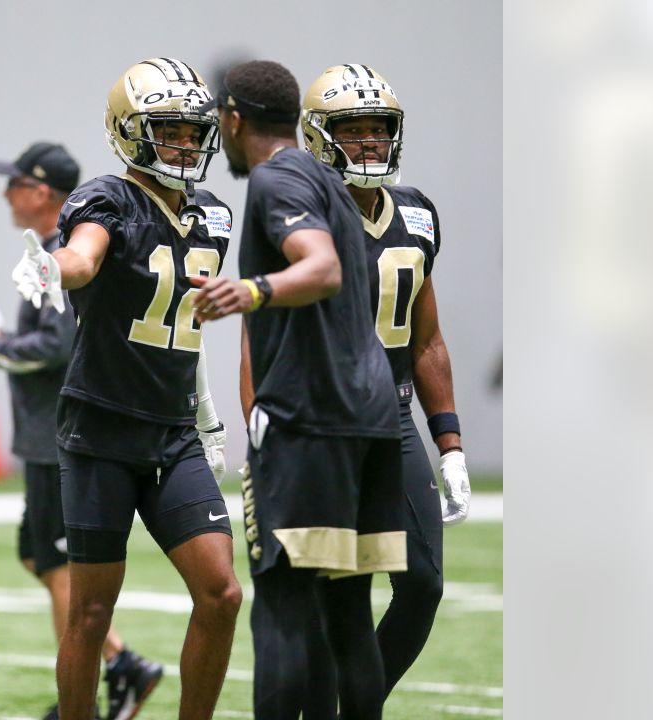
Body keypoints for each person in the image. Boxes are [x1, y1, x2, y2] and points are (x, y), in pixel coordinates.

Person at [10, 59, 241, 720]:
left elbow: (183, 325)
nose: (185, 144)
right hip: (102, 431)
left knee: (221, 594)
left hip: (172, 433)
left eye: (192, 130)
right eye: (167, 129)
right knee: (89, 611)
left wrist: (204, 409)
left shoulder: (215, 217)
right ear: (128, 131)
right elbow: (83, 256)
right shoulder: (108, 198)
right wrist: (53, 268)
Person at [190, 60, 406, 720]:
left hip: (312, 422)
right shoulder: (330, 182)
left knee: (283, 608)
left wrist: (252, 289)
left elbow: (323, 268)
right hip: (372, 420)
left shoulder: (278, 176)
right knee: (348, 612)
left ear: (232, 119)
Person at [295, 64, 474, 708]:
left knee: (422, 582)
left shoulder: (418, 213)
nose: (370, 143)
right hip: (322, 426)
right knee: (331, 590)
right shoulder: (301, 214)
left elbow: (426, 338)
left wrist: (448, 443)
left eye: (380, 129)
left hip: (392, 420)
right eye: (355, 130)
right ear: (321, 137)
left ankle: (354, 701)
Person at [0, 142, 164, 720]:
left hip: (57, 433)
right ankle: (114, 667)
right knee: (39, 557)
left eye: (14, 184)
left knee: (59, 561)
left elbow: (55, 346)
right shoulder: (53, 247)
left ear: (42, 192)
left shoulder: (65, 251)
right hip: (48, 431)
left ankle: (114, 672)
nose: (5, 194)